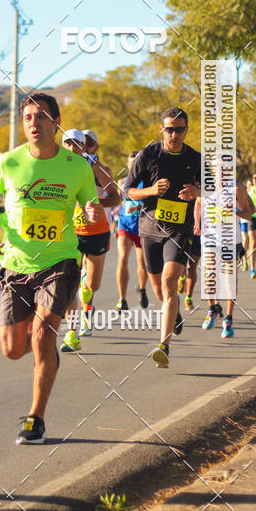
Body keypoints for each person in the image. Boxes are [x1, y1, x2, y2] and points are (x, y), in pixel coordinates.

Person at [0, 93, 103, 444]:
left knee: (43, 334)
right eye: (28, 117)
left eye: (41, 117)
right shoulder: (9, 162)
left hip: (58, 261)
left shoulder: (76, 167)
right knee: (13, 349)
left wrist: (92, 212)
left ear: (55, 122)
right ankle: (43, 351)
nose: (33, 123)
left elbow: (90, 203)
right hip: (15, 264)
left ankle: (36, 419)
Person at [124, 107, 202, 369]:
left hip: (179, 230)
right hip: (149, 230)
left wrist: (197, 190)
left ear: (186, 130)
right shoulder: (148, 154)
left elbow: (214, 190)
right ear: (162, 129)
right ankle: (174, 310)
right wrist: (150, 190)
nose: (174, 134)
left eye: (179, 129)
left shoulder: (194, 157)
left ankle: (163, 346)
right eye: (169, 128)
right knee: (159, 290)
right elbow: (127, 191)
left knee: (170, 282)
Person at [59, 129, 119, 351]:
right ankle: (72, 334)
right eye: (68, 143)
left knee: (92, 284)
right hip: (69, 233)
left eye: (77, 144)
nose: (73, 148)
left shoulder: (95, 169)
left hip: (96, 232)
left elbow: (115, 197)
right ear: (63, 145)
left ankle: (87, 290)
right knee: (68, 284)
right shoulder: (57, 167)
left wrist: (95, 205)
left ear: (84, 147)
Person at [200, 180, 255, 337]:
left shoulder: (237, 188)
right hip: (210, 239)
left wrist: (234, 212)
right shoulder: (205, 185)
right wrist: (197, 223)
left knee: (229, 281)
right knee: (209, 276)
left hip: (231, 240)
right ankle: (212, 309)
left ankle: (229, 319)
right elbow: (198, 202)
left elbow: (250, 213)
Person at [115, 151, 149, 312]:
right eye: (130, 162)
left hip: (142, 227)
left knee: (142, 263)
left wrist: (141, 206)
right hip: (125, 226)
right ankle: (122, 299)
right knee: (122, 258)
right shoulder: (122, 182)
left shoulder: (147, 181)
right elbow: (117, 202)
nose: (132, 164)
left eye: (135, 161)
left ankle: (142, 289)